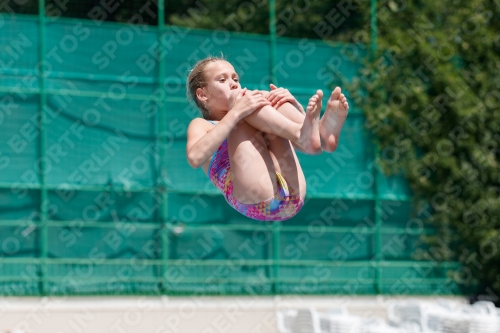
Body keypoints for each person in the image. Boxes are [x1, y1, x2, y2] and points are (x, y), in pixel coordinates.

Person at [185, 56, 349, 221]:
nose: (234, 83)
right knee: (243, 100)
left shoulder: (253, 114)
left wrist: (294, 107)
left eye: (235, 78)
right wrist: (235, 112)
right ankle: (302, 132)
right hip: (254, 199)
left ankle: (320, 135)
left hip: (293, 194)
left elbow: (300, 146)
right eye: (222, 80)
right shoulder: (201, 124)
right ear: (202, 94)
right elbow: (194, 158)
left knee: (269, 97)